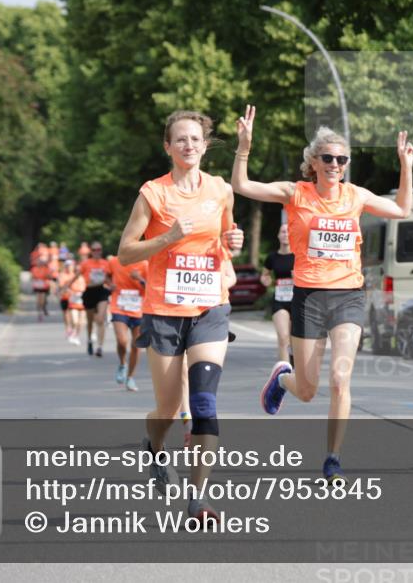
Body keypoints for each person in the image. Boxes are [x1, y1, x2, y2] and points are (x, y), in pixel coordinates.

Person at [231, 105, 413, 482]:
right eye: (328, 157)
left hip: (348, 295)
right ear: (313, 161)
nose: (335, 164)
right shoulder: (294, 193)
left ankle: (333, 458)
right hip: (309, 297)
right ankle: (283, 378)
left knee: (341, 379)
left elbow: (402, 209)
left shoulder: (356, 195)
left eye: (341, 159)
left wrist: (405, 165)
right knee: (308, 389)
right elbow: (242, 186)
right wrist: (244, 148)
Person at [118, 109, 243, 525]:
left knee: (204, 400)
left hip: (209, 306)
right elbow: (126, 252)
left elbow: (227, 238)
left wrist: (234, 241)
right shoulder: (154, 194)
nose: (189, 145)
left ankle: (198, 498)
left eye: (196, 139)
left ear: (206, 145)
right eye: (181, 140)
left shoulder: (221, 190)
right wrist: (168, 236)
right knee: (168, 409)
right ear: (167, 147)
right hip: (164, 311)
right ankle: (154, 446)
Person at [107, 254, 148, 391]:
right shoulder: (114, 261)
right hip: (119, 306)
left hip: (138, 309)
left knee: (136, 346)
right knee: (122, 341)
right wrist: (110, 285)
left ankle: (130, 377)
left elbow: (151, 288)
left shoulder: (144, 264)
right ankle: (122, 364)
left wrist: (139, 278)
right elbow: (106, 277)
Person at [261, 223, 295, 365]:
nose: (285, 234)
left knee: (295, 339)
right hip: (280, 300)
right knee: (283, 337)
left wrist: (297, 277)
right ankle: (283, 373)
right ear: (278, 235)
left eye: (288, 231)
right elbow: (265, 275)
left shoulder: (298, 256)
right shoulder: (272, 257)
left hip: (298, 301)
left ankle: (295, 362)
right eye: (282, 231)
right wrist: (266, 280)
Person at [78, 242, 112, 356]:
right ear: (91, 252)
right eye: (94, 250)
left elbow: (108, 278)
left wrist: (112, 285)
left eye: (99, 249)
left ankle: (100, 347)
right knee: (90, 321)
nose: (97, 252)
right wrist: (64, 287)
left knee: (100, 319)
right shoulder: (85, 264)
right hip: (89, 292)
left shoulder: (105, 263)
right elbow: (75, 276)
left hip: (101, 292)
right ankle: (89, 340)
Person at [30, 257, 54, 322]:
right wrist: (35, 279)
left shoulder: (46, 269)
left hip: (44, 286)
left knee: (42, 301)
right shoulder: (34, 269)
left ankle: (43, 309)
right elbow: (32, 277)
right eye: (38, 262)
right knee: (38, 301)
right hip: (37, 286)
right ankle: (39, 313)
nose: (40, 263)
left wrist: (49, 273)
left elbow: (49, 277)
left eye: (41, 262)